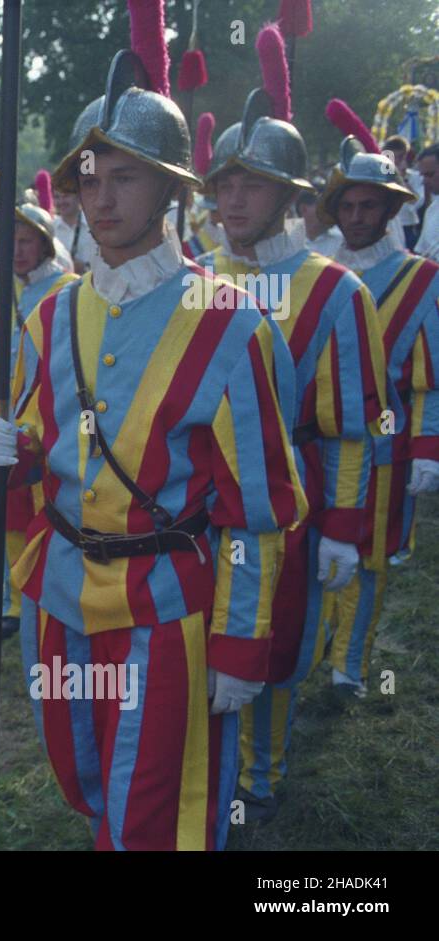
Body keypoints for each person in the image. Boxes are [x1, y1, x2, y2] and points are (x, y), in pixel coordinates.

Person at [0, 33, 306, 850]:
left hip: (169, 608)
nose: (103, 199)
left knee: (159, 813)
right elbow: (45, 457)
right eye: (90, 180)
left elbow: (259, 512)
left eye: (125, 177)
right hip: (62, 597)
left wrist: (238, 646)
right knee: (85, 780)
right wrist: (0, 458)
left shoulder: (233, 323)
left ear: (169, 190)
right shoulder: (49, 314)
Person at [197, 35, 389, 823]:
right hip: (200, 496)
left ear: (291, 197)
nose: (233, 201)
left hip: (295, 494)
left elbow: (351, 425)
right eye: (224, 185)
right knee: (210, 631)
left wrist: (343, 527)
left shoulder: (337, 292)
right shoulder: (195, 276)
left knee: (275, 639)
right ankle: (204, 760)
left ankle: (262, 772)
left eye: (253, 186)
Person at [315, 106, 439, 704]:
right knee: (315, 551)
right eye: (348, 206)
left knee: (368, 558)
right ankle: (312, 647)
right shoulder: (318, 274)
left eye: (370, 206)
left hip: (385, 447)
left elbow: (429, 377)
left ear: (391, 211)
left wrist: (428, 446)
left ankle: (350, 666)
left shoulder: (422, 278)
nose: (358, 217)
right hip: (319, 443)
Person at [0, 201, 78, 637]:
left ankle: (43, 590)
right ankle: (12, 599)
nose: (18, 250)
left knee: (43, 511)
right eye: (10, 241)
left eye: (27, 241)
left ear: (45, 244)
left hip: (46, 423)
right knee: (3, 514)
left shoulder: (69, 290)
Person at [296, 179, 343, 257]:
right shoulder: (286, 244)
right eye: (325, 206)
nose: (331, 211)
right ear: (304, 209)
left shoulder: (341, 242)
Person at [411, 144, 439, 261]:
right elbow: (422, 255)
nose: (424, 182)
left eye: (429, 174)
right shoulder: (432, 210)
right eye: (423, 176)